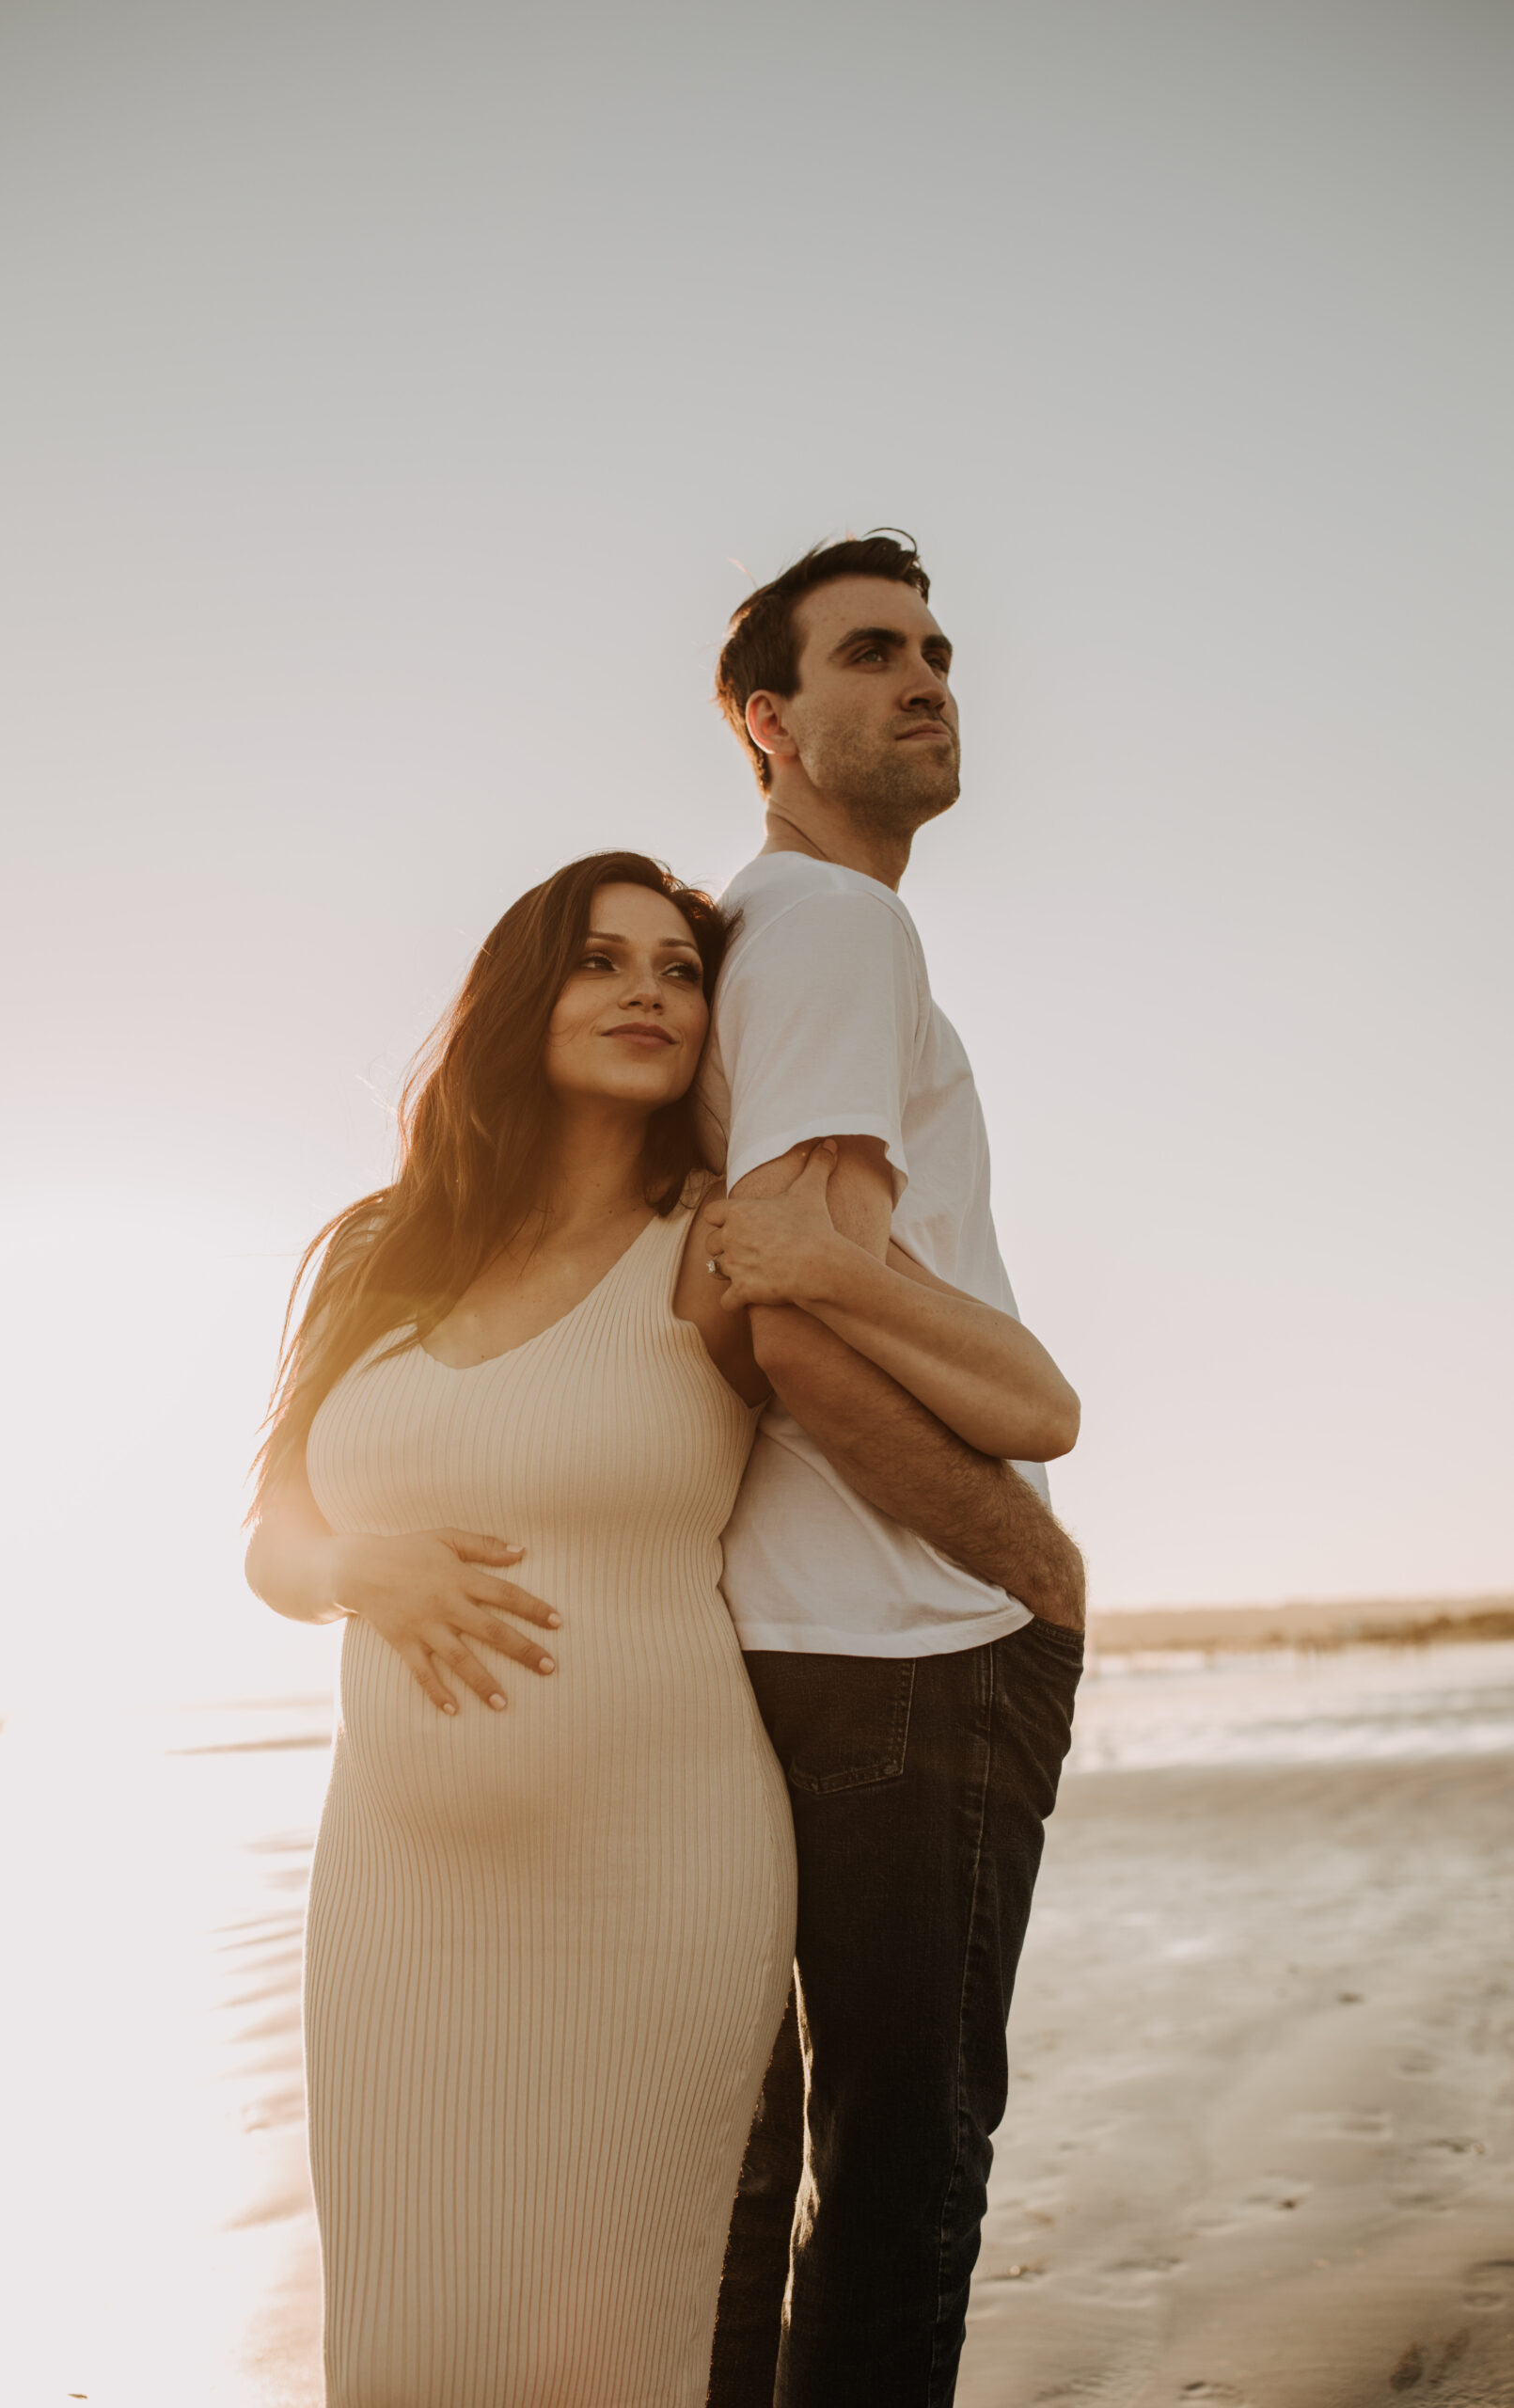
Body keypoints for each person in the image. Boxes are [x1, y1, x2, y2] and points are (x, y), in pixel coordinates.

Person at [244, 848, 1077, 2408]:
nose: (646, 991)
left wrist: (843, 1284)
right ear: (520, 998)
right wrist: (366, 1567)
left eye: (680, 972)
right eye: (602, 960)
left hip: (662, 1885)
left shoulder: (707, 1250)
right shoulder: (377, 1251)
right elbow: (271, 1547)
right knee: (408, 2351)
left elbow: (1038, 1403)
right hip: (400, 1894)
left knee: (619, 2351)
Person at [699, 532, 1088, 2408]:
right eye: (870, 653)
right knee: (902, 2190)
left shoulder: (755, 940)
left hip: (795, 1648)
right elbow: (794, 1321)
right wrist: (1029, 1564)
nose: (927, 679)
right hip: (907, 1653)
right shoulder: (837, 926)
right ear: (765, 723)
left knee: (766, 2190)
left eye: (937, 649)